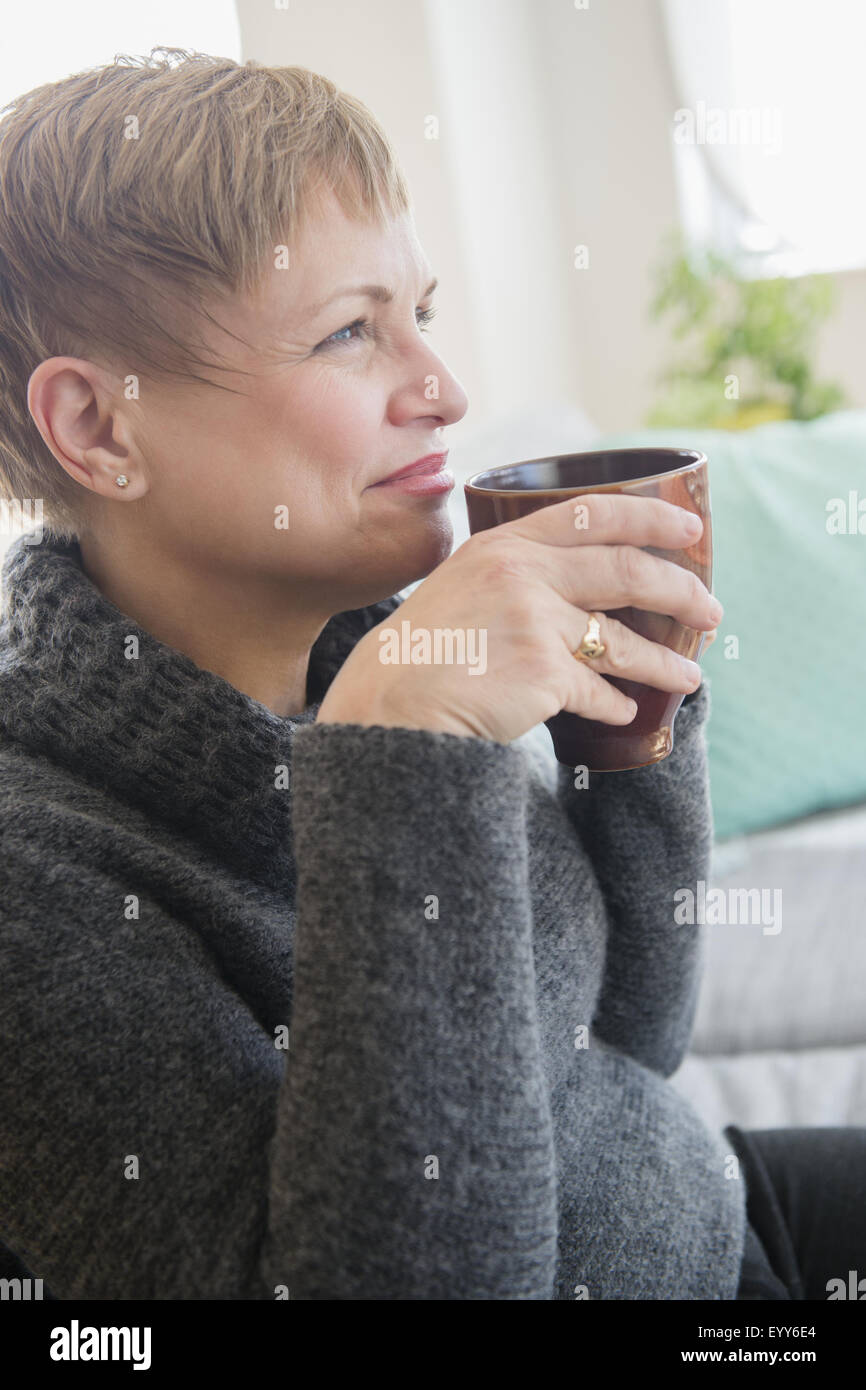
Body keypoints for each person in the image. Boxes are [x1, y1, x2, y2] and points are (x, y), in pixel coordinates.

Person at [0, 48, 862, 1301]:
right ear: (99, 426)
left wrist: (630, 727)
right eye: (351, 331)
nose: (445, 390)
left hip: (711, 1215)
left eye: (424, 314)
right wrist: (397, 761)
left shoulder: (378, 654)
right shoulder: (38, 881)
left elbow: (627, 1044)